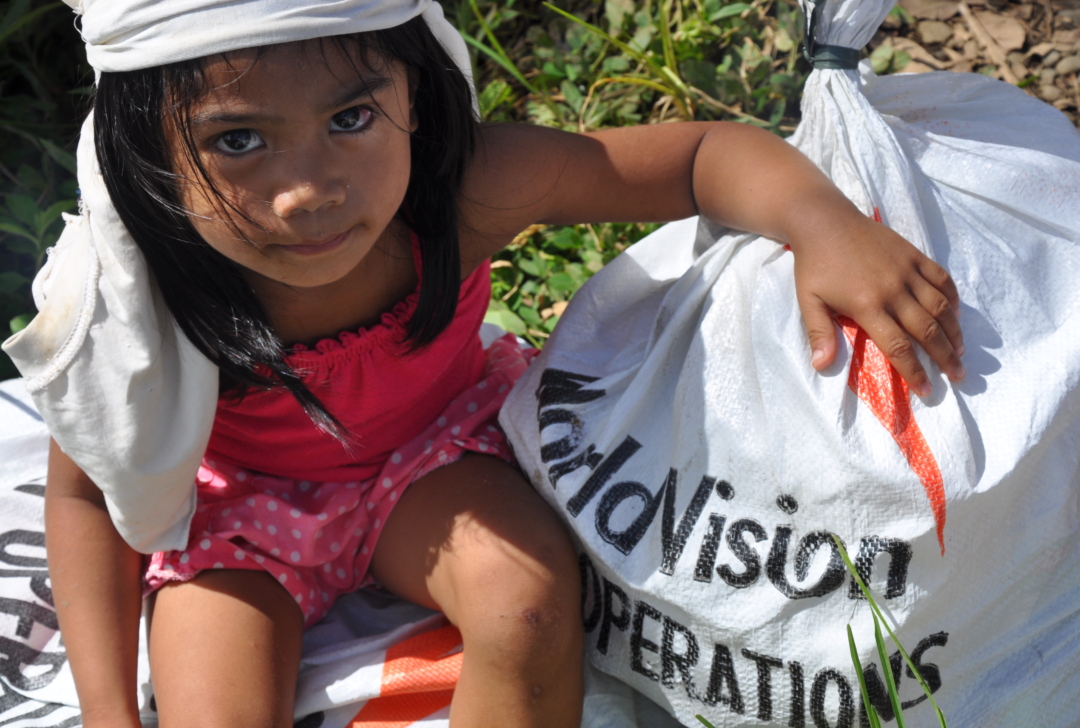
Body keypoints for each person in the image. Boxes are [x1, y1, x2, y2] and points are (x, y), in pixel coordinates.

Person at [27, 2, 966, 727]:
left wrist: (821, 223)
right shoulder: (142, 281)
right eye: (239, 140)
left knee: (526, 602)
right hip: (241, 509)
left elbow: (699, 156)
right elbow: (85, 493)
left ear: (414, 94)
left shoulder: (464, 192)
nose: (307, 189)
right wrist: (111, 708)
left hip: (426, 461)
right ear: (148, 151)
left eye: (352, 117)